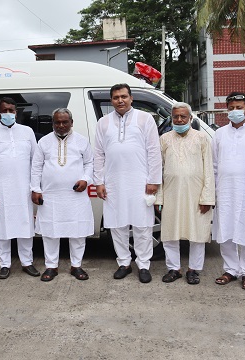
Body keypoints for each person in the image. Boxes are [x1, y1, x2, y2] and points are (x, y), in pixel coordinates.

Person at [93, 83, 162, 283]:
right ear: (111, 100)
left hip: (140, 181)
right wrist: (99, 181)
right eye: (116, 97)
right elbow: (98, 154)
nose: (120, 100)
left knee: (142, 226)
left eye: (124, 96)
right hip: (113, 182)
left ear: (131, 98)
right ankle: (124, 262)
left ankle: (143, 264)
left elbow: (153, 150)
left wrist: (153, 180)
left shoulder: (145, 118)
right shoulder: (103, 123)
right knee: (117, 225)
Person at [211, 92, 245, 290]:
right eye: (232, 107)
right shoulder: (219, 134)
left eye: (239, 107)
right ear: (227, 109)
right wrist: (214, 192)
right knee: (225, 231)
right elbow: (214, 165)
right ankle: (230, 270)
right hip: (225, 191)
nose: (235, 111)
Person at [0, 97, 40, 279]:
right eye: (4, 111)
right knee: (2, 229)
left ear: (16, 112)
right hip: (0, 190)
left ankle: (26, 262)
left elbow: (35, 161)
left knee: (25, 226)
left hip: (23, 189)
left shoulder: (27, 132)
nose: (8, 114)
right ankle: (4, 264)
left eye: (11, 110)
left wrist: (35, 187)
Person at [31, 108, 94, 281]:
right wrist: (36, 189)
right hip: (50, 196)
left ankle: (76, 266)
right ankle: (51, 267)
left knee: (78, 232)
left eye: (64, 122)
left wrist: (85, 179)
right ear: (53, 123)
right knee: (50, 232)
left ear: (71, 123)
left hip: (76, 196)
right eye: (57, 122)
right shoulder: (43, 142)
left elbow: (90, 163)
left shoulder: (82, 141)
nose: (60, 125)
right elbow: (36, 167)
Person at [156, 102, 215, 285]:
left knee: (197, 234)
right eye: (176, 117)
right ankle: (174, 269)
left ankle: (193, 270)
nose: (179, 119)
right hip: (171, 193)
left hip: (196, 195)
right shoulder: (164, 139)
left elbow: (209, 171)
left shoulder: (202, 138)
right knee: (169, 234)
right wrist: (159, 198)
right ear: (171, 118)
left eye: (183, 116)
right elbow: (158, 169)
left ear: (190, 118)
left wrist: (207, 198)